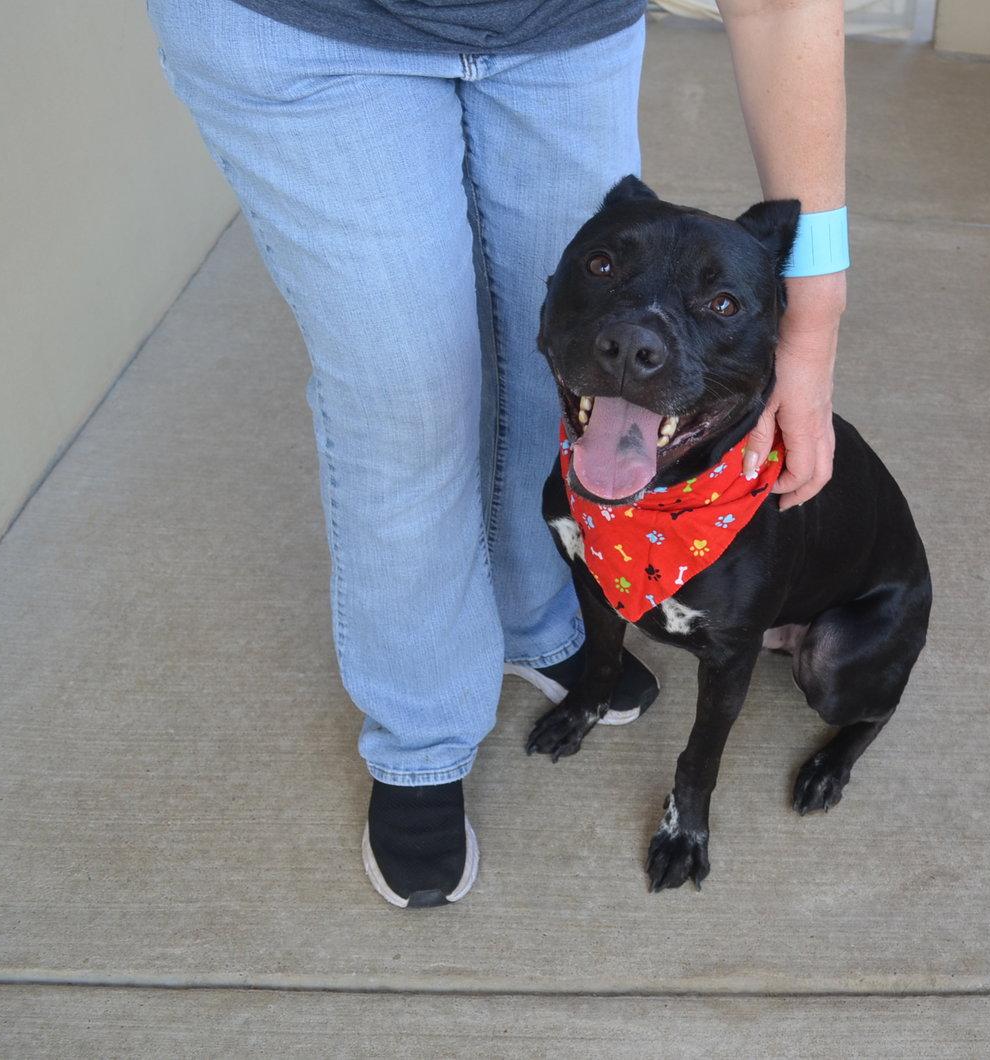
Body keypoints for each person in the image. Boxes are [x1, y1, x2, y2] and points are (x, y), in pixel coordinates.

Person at [147, 0, 848, 908]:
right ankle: (422, 738)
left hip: (563, 27)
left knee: (549, 380)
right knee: (411, 409)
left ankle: (535, 621)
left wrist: (813, 328)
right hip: (308, 29)